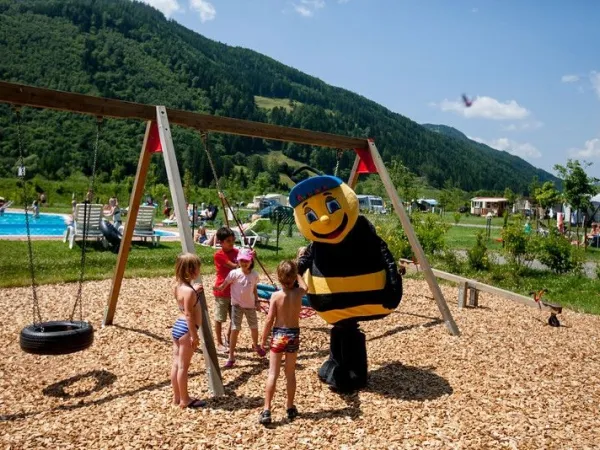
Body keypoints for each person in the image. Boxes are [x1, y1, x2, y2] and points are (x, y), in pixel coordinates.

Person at [258, 260, 307, 425]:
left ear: (278, 278)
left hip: (279, 335)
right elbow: (306, 287)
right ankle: (290, 406)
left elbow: (269, 320)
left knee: (273, 373)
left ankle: (267, 409)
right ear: (293, 278)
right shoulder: (299, 293)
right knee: (290, 373)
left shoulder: (276, 296)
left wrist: (262, 341)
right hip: (293, 335)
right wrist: (298, 273)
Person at [214, 247, 265, 368]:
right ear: (238, 261)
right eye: (241, 260)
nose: (244, 263)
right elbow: (224, 285)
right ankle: (231, 355)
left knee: (254, 327)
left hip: (250, 306)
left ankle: (256, 345)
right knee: (235, 329)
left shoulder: (254, 275)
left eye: (246, 261)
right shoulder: (234, 273)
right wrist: (218, 288)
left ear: (251, 261)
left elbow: (254, 288)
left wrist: (257, 301)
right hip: (237, 306)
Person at [170, 252, 206, 409]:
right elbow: (189, 314)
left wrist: (194, 291)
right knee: (184, 367)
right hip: (186, 329)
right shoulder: (190, 292)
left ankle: (176, 397)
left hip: (177, 327)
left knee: (176, 364)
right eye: (198, 268)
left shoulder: (178, 287)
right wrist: (194, 335)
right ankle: (185, 399)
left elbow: (184, 304)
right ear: (192, 271)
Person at [212, 227, 239, 354]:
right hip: (222, 291)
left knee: (235, 318)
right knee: (220, 318)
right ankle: (218, 342)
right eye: (228, 241)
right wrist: (246, 259)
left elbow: (245, 266)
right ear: (221, 242)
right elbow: (233, 266)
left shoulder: (236, 251)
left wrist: (250, 257)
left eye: (232, 240)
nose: (231, 242)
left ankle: (228, 338)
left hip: (234, 291)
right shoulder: (219, 255)